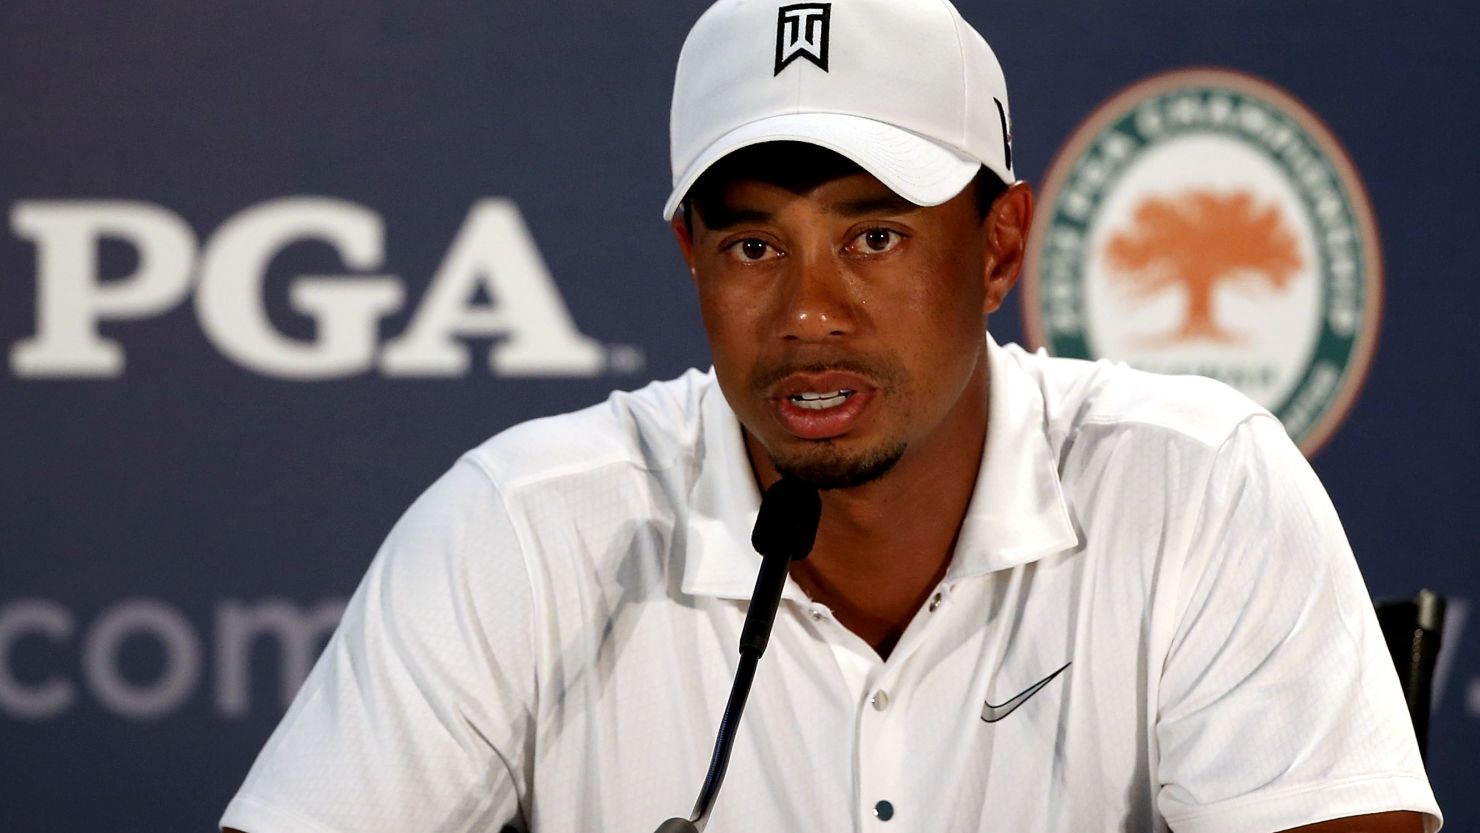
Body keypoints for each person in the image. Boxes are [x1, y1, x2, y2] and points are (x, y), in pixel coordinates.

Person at [221, 0, 1442, 830]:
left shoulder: (1195, 485)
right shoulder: (518, 527)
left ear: (999, 245)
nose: (809, 313)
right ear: (688, 256)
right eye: (754, 242)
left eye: (873, 235)